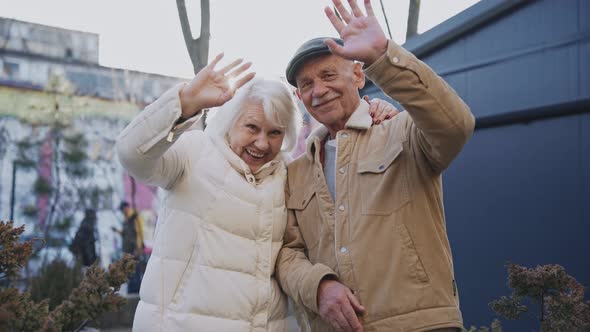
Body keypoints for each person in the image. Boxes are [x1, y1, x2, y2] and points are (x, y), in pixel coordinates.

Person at [116, 50, 398, 331]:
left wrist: (373, 113)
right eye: (252, 127)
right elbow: (133, 154)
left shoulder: (289, 174)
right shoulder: (195, 153)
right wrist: (185, 102)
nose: (262, 143)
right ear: (230, 121)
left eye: (274, 133)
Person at [275, 1, 476, 331]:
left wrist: (384, 56)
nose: (318, 91)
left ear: (357, 74)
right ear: (299, 96)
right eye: (307, 84)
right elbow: (287, 253)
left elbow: (456, 125)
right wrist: (318, 286)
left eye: (327, 75)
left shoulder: (402, 131)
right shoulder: (295, 173)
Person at [112, 201, 146, 293]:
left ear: (126, 208)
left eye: (123, 210)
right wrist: (117, 231)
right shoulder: (126, 220)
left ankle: (136, 289)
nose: (122, 212)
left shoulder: (134, 217)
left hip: (134, 249)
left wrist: (138, 248)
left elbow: (139, 232)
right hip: (128, 250)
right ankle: (132, 289)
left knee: (135, 270)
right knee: (130, 270)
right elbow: (125, 234)